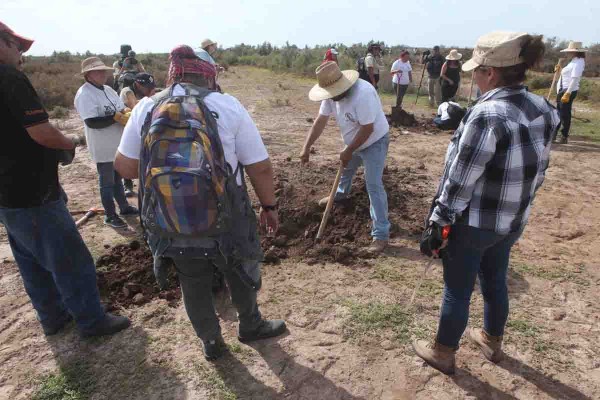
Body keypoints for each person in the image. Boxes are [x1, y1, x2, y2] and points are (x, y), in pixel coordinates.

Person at [114, 45, 286, 361]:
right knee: (239, 267)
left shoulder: (146, 107)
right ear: (209, 76)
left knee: (192, 280)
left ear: (172, 74)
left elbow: (124, 167)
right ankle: (250, 325)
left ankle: (211, 342)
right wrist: (269, 207)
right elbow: (259, 166)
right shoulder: (227, 106)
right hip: (227, 212)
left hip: (171, 214)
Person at [415, 32, 559, 375]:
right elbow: (538, 170)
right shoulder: (544, 109)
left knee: (457, 290)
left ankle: (443, 352)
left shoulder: (487, 114)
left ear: (490, 73)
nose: (473, 79)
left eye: (476, 72)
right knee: (495, 280)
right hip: (511, 222)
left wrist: (439, 221)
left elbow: (461, 178)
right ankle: (492, 342)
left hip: (474, 224)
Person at [0, 21, 130, 338]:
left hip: (8, 193)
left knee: (31, 260)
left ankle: (54, 317)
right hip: (33, 190)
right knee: (70, 258)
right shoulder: (9, 79)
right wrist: (69, 143)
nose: (21, 55)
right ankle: (91, 320)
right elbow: (42, 132)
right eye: (17, 46)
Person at [301, 61, 391, 254]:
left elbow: (368, 129)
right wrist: (306, 147)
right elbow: (320, 121)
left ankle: (381, 234)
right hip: (354, 139)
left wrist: (349, 150)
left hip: (375, 140)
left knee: (373, 184)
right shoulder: (331, 95)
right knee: (346, 169)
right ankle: (340, 194)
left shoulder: (363, 94)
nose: (332, 97)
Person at [74, 57, 138, 228]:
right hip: (102, 145)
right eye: (98, 71)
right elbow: (91, 122)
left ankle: (124, 207)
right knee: (107, 182)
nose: (103, 74)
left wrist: (125, 112)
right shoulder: (85, 94)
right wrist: (115, 117)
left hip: (117, 143)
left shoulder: (108, 90)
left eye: (103, 71)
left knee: (117, 178)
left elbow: (120, 107)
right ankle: (110, 215)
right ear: (88, 75)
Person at [119, 72, 156, 197]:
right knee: (129, 155)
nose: (149, 90)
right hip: (127, 128)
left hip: (138, 125)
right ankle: (127, 185)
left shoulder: (142, 92)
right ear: (137, 85)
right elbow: (135, 106)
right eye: (146, 87)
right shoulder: (127, 91)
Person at [555, 41, 587, 144]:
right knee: (559, 113)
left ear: (575, 52)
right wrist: (559, 70)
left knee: (564, 114)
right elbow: (566, 76)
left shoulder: (579, 62)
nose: (567, 53)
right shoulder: (573, 61)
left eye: (569, 51)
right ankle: (554, 135)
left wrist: (567, 93)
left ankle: (564, 136)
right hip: (562, 90)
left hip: (568, 90)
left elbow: (574, 79)